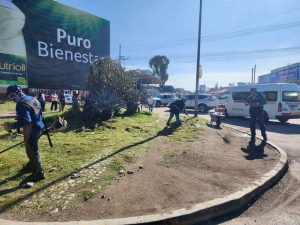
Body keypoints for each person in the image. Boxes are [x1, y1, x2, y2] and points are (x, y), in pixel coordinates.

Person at [3, 85, 45, 181]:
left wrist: (11, 126)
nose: (10, 98)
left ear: (13, 94)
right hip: (40, 125)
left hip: (32, 128)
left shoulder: (21, 104)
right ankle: (31, 164)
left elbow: (26, 120)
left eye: (10, 95)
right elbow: (38, 111)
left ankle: (39, 172)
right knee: (32, 146)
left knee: (31, 150)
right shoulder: (32, 98)